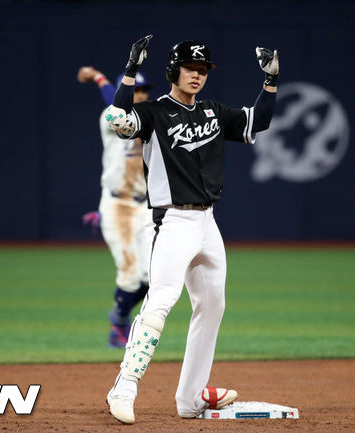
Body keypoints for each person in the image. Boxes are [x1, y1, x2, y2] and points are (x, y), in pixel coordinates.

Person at [104, 35, 279, 424]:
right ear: (173, 71)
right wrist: (130, 72)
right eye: (190, 69)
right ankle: (124, 387)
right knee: (161, 301)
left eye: (203, 71)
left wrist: (271, 81)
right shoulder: (153, 113)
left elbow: (258, 120)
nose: (197, 76)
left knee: (212, 304)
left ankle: (189, 399)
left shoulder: (213, 112)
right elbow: (117, 120)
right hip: (172, 221)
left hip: (207, 222)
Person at [77, 65, 152, 348]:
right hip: (117, 205)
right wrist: (100, 79)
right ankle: (118, 325)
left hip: (145, 207)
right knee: (131, 274)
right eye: (136, 90)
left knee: (152, 277)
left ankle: (120, 315)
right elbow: (115, 106)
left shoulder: (151, 120)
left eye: (144, 90)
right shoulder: (110, 119)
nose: (141, 95)